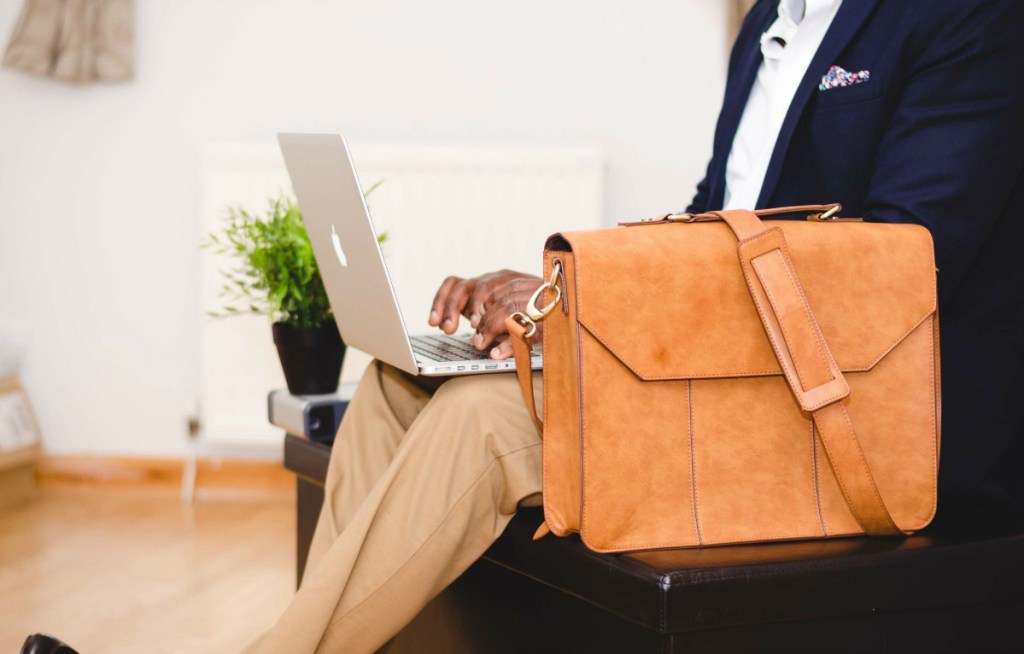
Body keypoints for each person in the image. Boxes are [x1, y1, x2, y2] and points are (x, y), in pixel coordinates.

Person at [21, 1, 1024, 653]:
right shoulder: (767, 22)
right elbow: (711, 219)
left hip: (853, 424)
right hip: (731, 387)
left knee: (486, 424)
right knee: (402, 384)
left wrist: (596, 305)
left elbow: (897, 260)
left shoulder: (963, 19)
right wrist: (555, 295)